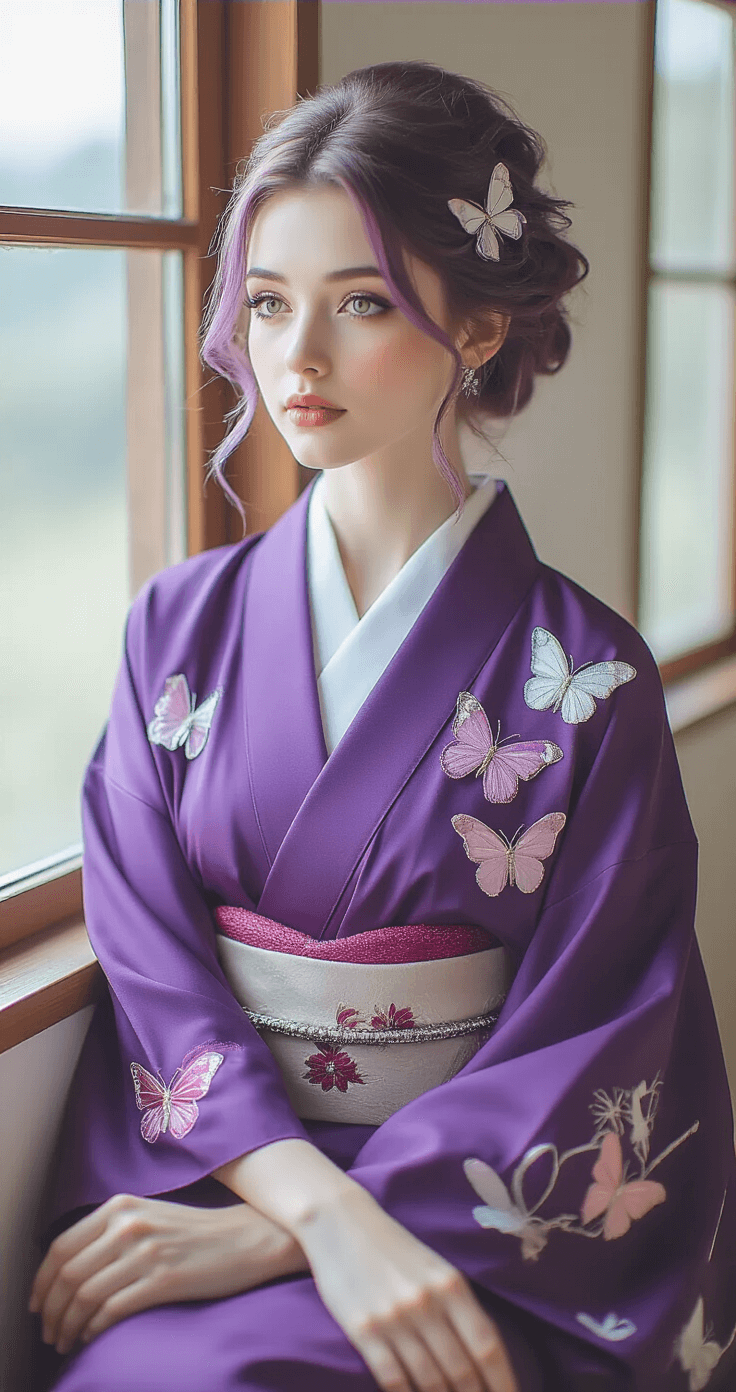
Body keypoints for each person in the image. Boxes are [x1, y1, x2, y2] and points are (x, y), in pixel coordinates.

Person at [30, 60, 736, 1392]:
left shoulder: (590, 681)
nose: (296, 359)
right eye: (268, 303)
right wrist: (303, 1211)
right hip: (222, 1162)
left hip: (472, 1220)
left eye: (361, 305)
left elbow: (604, 1030)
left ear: (477, 330)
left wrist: (311, 1236)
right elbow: (152, 957)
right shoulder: (174, 631)